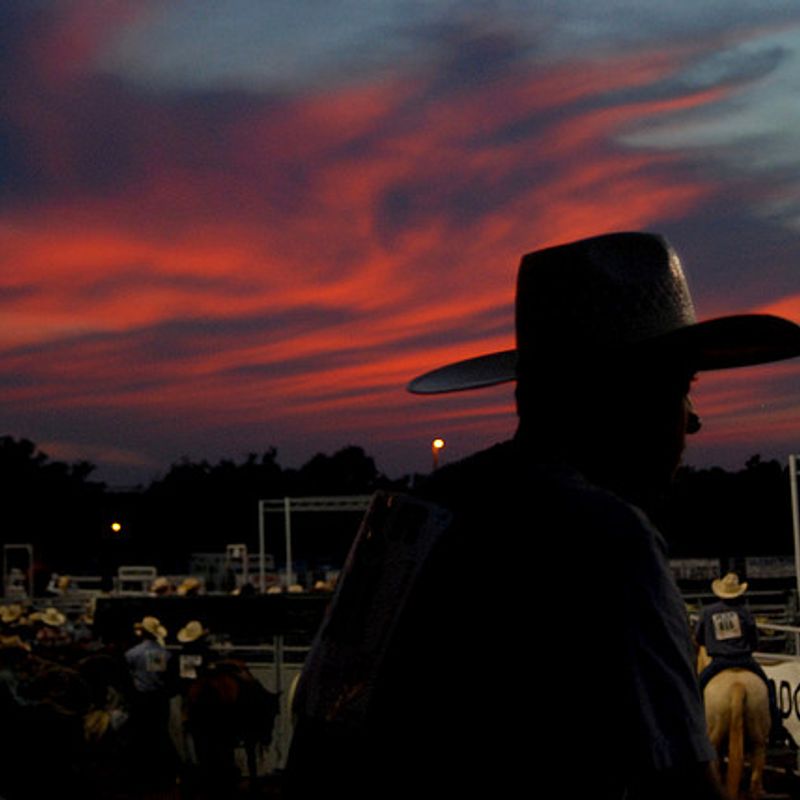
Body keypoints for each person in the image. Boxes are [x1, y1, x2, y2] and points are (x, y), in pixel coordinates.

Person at [285, 232, 800, 800]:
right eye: (682, 389)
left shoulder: (408, 516)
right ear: (632, 396)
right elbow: (679, 790)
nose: (692, 422)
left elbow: (318, 741)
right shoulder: (609, 539)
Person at [695, 572, 787, 744]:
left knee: (697, 692)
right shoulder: (745, 612)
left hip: (718, 662)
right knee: (768, 690)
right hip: (745, 660)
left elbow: (699, 638)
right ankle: (776, 728)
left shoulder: (708, 612)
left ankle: (694, 728)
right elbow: (754, 641)